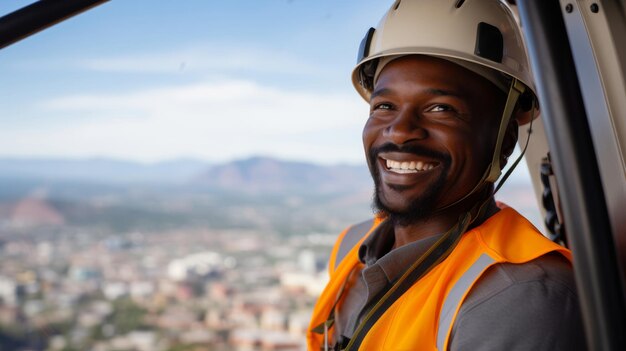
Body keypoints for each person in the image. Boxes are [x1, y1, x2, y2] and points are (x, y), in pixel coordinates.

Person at [307, 1, 586, 350]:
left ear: (505, 139)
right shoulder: (351, 247)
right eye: (384, 106)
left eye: (441, 109)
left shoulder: (520, 293)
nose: (399, 131)